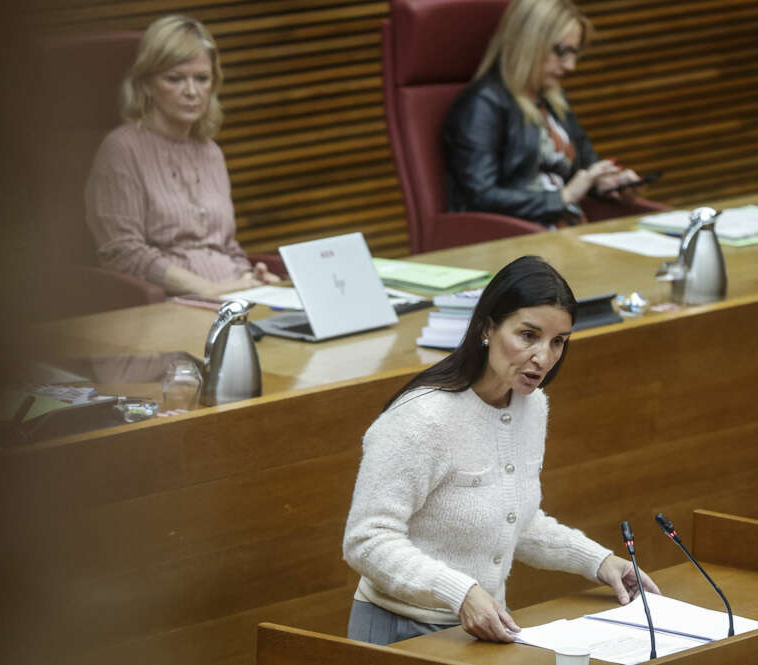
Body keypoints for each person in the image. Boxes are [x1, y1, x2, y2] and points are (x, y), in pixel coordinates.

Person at [342, 256, 659, 645]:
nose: (544, 357)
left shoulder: (531, 406)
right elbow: (367, 540)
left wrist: (598, 561)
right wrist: (460, 592)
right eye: (528, 335)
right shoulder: (422, 418)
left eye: (558, 341)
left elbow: (514, 521)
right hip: (401, 632)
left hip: (482, 631)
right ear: (487, 327)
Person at [84, 15, 279, 297]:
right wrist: (210, 290)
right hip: (171, 305)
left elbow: (225, 245)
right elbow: (122, 253)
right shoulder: (121, 148)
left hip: (232, 296)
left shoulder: (211, 152)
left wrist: (249, 275)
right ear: (147, 84)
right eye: (174, 79)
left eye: (201, 78)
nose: (191, 91)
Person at [443, 0, 646, 228]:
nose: (571, 66)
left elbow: (585, 168)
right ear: (528, 43)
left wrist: (609, 182)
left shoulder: (552, 98)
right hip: (514, 239)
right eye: (562, 51)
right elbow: (480, 196)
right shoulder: (482, 103)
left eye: (575, 53)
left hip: (568, 230)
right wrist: (562, 198)